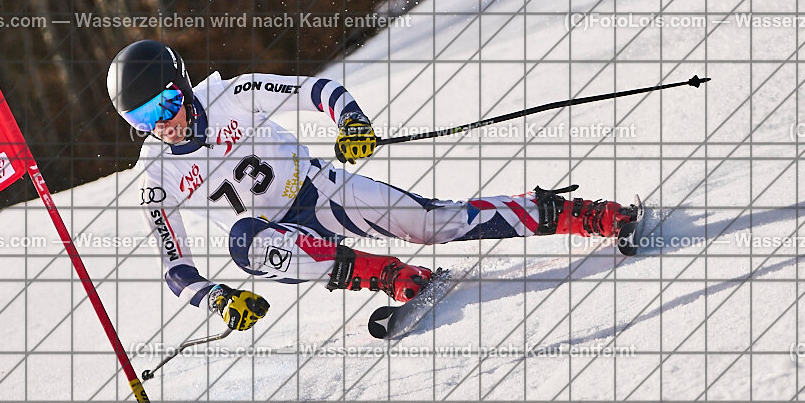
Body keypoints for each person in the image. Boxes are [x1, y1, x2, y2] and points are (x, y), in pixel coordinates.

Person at [108, 40, 639, 332]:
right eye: (144, 118)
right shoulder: (155, 178)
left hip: (321, 190)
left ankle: (577, 213)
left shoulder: (232, 94)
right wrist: (218, 299)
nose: (164, 124)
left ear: (181, 84)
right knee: (245, 239)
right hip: (281, 241)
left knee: (436, 223)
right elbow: (176, 270)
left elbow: (318, 90)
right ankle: (390, 276)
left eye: (166, 104)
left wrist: (352, 122)